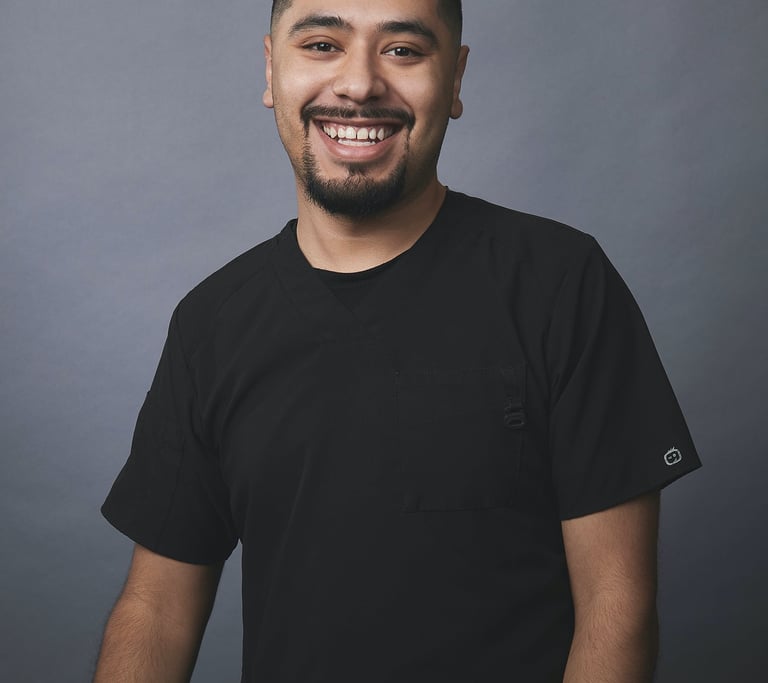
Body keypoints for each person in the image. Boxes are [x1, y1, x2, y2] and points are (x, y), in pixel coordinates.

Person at [94, 1, 701, 681]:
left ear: (456, 79)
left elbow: (616, 610)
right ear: (271, 69)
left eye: (404, 50)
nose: (358, 84)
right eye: (322, 45)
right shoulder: (210, 324)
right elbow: (155, 608)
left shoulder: (560, 283)